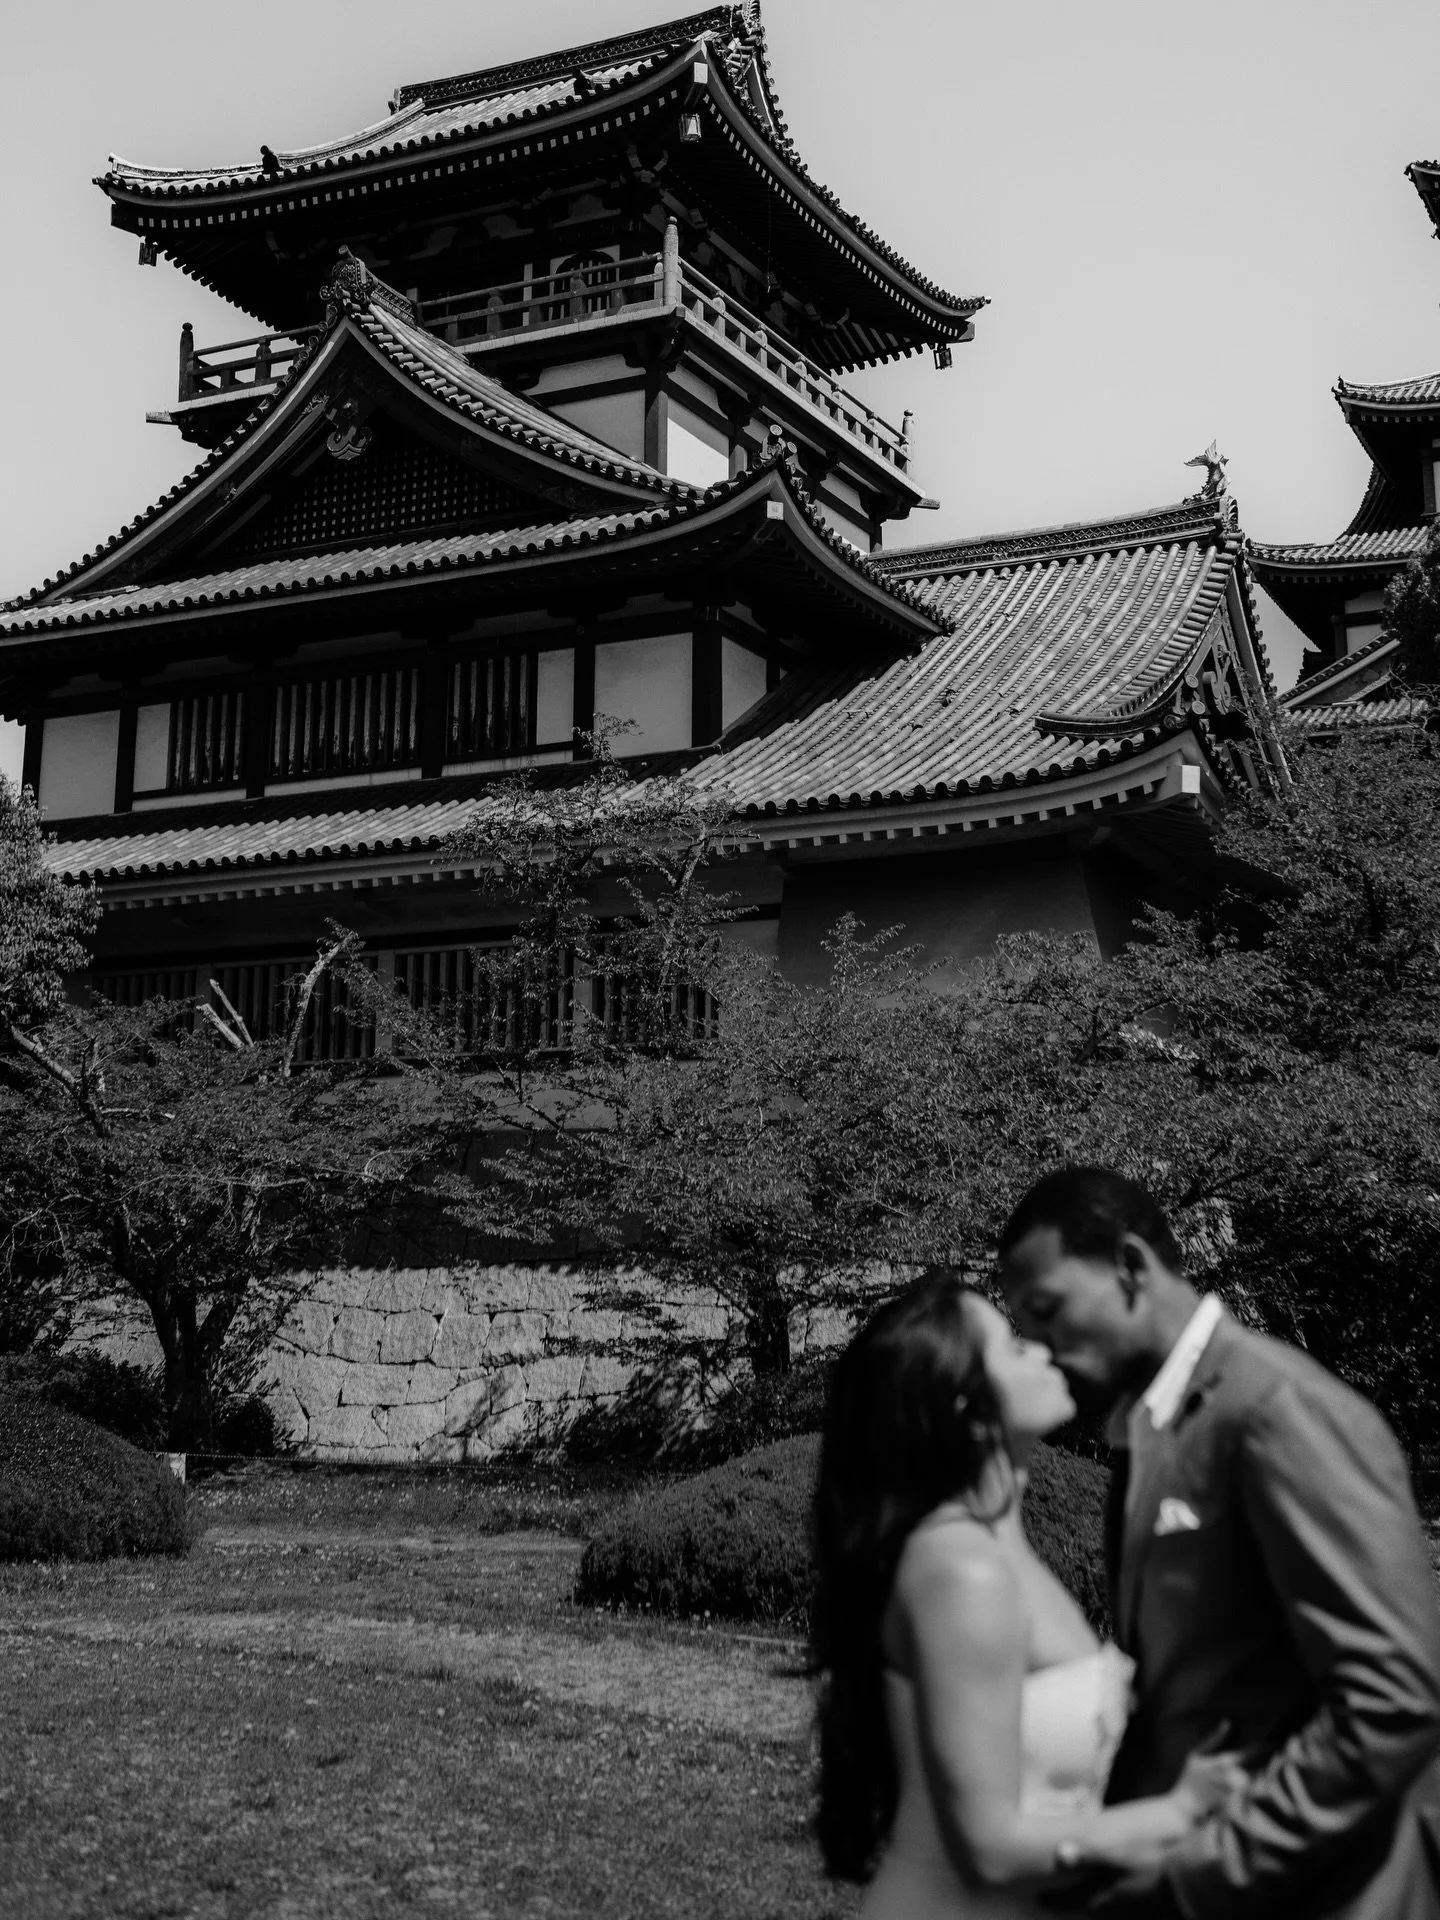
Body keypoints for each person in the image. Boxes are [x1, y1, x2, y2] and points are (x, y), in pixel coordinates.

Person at [999, 1165, 1440, 1918]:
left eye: (1047, 1310)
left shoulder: (1275, 1410)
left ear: (1131, 1267)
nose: (1039, 1345)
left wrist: (1199, 1873)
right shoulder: (1153, 1426)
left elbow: (1393, 1698)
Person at [811, 1269, 1242, 1919]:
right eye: (1014, 1348)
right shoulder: (961, 1571)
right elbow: (989, 1850)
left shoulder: (998, 1553)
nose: (1041, 1350)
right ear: (969, 1412)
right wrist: (1179, 1812)